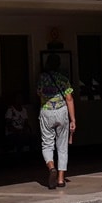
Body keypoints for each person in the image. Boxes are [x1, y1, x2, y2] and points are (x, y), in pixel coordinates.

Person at [36, 53, 75, 190]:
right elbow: (69, 99)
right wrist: (73, 119)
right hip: (61, 112)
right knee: (62, 146)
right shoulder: (63, 79)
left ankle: (51, 167)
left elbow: (39, 93)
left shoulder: (42, 78)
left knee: (47, 144)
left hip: (46, 111)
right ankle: (60, 179)